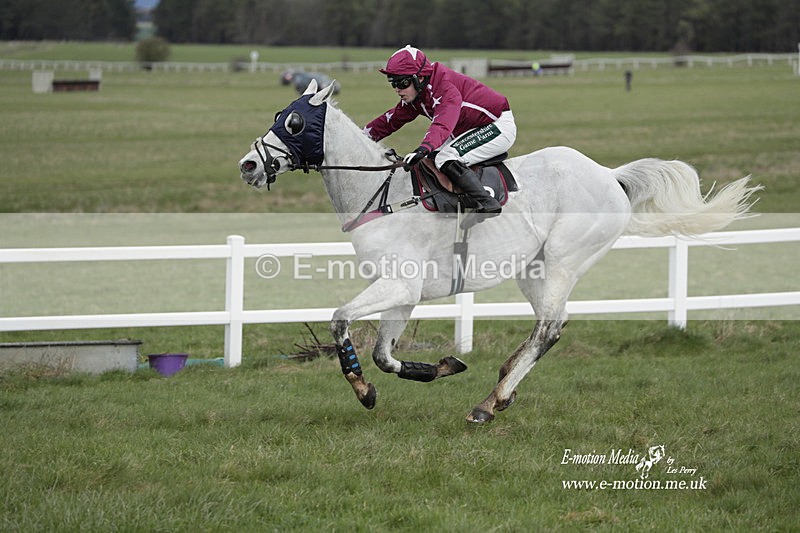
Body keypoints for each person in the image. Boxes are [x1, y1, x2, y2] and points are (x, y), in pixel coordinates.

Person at [363, 45, 517, 225]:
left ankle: (486, 203)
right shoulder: (418, 95)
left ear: (419, 77)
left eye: (402, 83)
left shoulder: (445, 87)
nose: (398, 89)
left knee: (445, 157)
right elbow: (390, 121)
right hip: (467, 128)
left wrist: (423, 148)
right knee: (431, 159)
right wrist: (359, 137)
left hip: (497, 125)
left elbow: (442, 124)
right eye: (393, 83)